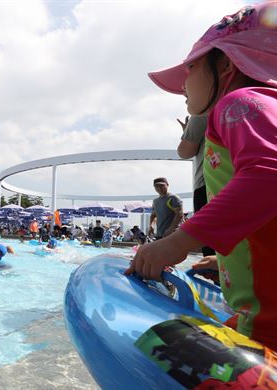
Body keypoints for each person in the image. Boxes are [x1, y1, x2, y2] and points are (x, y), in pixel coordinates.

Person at [128, 2, 277, 350]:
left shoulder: (239, 102)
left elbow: (269, 174)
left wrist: (180, 242)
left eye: (189, 68)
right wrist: (229, 257)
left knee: (160, 350)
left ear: (225, 64)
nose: (182, 85)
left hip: (269, 322)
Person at [176, 115, 216, 257]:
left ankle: (219, 277)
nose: (186, 99)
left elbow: (184, 152)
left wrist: (187, 133)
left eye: (187, 93)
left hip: (206, 184)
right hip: (235, 181)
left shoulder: (201, 115)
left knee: (209, 241)